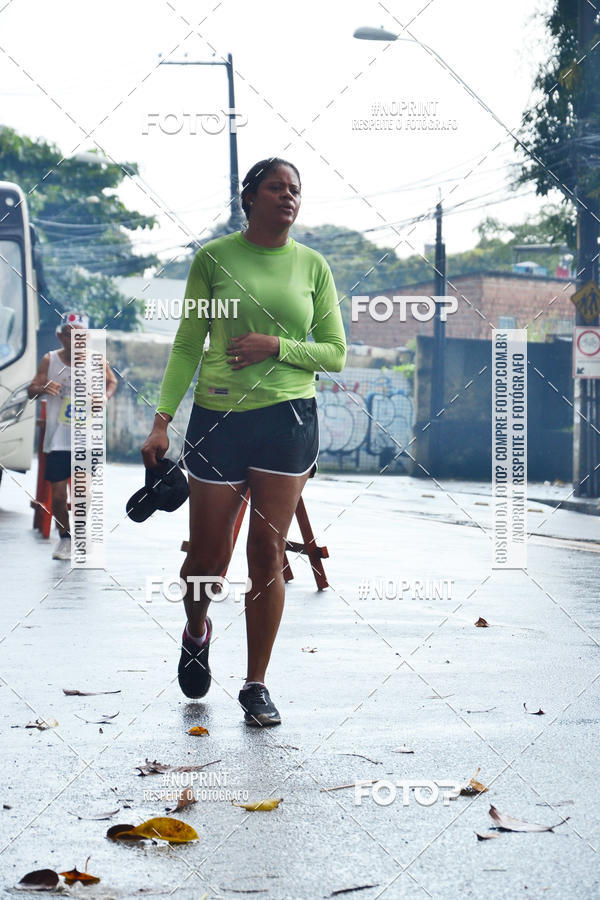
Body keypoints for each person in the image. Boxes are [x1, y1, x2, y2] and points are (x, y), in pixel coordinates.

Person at [141, 157, 346, 727]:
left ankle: (256, 683)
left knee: (267, 554)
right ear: (250, 197)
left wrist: (275, 346)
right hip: (219, 418)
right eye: (277, 187)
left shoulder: (313, 266)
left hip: (287, 420)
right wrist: (162, 421)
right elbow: (187, 344)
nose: (289, 196)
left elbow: (333, 352)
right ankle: (197, 627)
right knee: (208, 556)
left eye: (296, 189)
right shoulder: (214, 259)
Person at [28, 313, 118, 559]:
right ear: (61, 336)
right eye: (71, 333)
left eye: (81, 334)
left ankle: (78, 531)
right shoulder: (50, 360)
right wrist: (44, 388)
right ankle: (65, 538)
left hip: (86, 439)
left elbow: (112, 383)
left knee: (82, 493)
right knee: (58, 497)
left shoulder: (97, 360)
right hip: (58, 439)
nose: (77, 338)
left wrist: (104, 397)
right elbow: (31, 390)